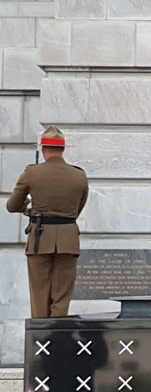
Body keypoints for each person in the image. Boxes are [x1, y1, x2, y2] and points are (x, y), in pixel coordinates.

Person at [6, 126, 89, 318]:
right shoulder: (79, 175)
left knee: (39, 292)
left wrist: (29, 206)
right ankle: (57, 337)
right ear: (63, 149)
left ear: (43, 148)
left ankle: (41, 338)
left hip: (40, 239)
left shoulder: (32, 173)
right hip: (68, 238)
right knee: (62, 294)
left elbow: (12, 205)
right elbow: (78, 208)